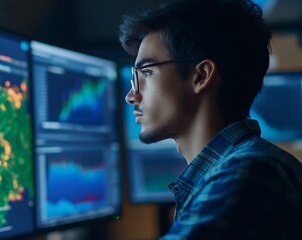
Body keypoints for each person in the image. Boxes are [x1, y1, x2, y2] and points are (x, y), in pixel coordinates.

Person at [119, 0, 302, 239]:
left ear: (201, 76)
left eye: (145, 73)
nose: (131, 95)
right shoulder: (243, 165)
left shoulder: (250, 170)